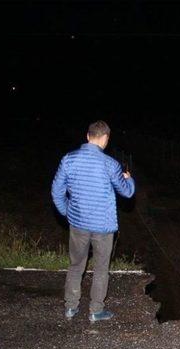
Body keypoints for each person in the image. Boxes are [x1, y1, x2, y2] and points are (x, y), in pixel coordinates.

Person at [51, 120, 135, 322]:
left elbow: (56, 191)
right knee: (100, 268)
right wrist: (129, 178)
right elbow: (127, 192)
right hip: (103, 227)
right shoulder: (110, 164)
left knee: (76, 265)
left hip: (78, 224)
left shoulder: (68, 160)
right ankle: (96, 310)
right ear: (105, 139)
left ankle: (70, 307)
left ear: (88, 136)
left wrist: (68, 212)